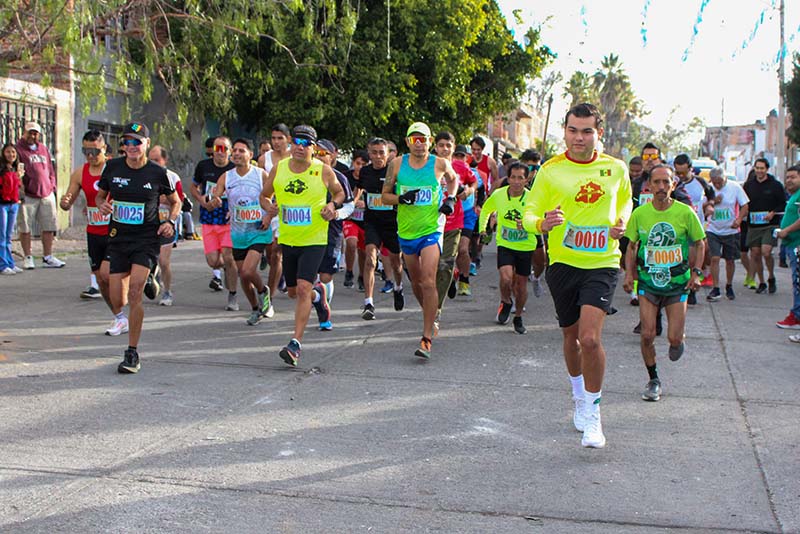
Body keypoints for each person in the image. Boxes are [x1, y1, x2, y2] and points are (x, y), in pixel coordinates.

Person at [522, 103, 631, 448]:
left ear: (599, 132)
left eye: (586, 131)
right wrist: (541, 223)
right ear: (564, 131)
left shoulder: (615, 168)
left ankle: (594, 416)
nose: (579, 137)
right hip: (563, 263)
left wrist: (622, 221)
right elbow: (529, 211)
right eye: (573, 130)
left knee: (590, 339)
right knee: (571, 337)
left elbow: (627, 201)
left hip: (602, 261)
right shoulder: (551, 170)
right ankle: (579, 398)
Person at [96, 122, 180, 373]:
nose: (131, 147)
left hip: (146, 239)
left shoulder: (157, 172)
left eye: (137, 142)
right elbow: (101, 195)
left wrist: (170, 222)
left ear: (146, 143)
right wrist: (102, 204)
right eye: (127, 142)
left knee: (134, 294)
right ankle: (149, 280)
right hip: (119, 238)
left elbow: (175, 201)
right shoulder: (112, 167)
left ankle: (132, 352)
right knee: (116, 297)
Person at [260, 125, 344, 366]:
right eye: (296, 141)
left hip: (315, 239)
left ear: (314, 148)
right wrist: (268, 208)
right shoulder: (279, 169)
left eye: (306, 143)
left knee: (304, 289)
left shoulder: (323, 171)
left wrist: (332, 206)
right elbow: (264, 196)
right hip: (289, 239)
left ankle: (295, 344)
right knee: (294, 292)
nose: (299, 146)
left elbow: (339, 193)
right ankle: (320, 298)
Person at [623, 164, 706, 402]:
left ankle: (677, 340)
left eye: (665, 183)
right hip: (648, 284)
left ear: (674, 185)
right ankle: (653, 379)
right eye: (656, 183)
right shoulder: (640, 214)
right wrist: (629, 274)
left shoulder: (685, 213)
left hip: (677, 284)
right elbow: (631, 246)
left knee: (674, 339)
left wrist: (696, 274)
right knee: (647, 334)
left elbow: (700, 243)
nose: (661, 187)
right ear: (648, 185)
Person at [382, 122, 458, 359]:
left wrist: (451, 199)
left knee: (427, 280)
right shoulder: (396, 164)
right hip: (406, 231)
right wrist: (402, 199)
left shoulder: (439, 163)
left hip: (432, 229)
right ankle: (430, 312)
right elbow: (385, 197)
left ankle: (426, 337)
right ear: (407, 142)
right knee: (416, 282)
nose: (419, 144)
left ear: (430, 141)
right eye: (414, 139)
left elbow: (454, 180)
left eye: (423, 139)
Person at [59, 131, 131, 334]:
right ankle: (119, 317)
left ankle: (136, 272)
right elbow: (68, 199)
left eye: (95, 151)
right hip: (94, 232)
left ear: (104, 149)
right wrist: (65, 202)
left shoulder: (117, 168)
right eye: (86, 151)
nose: (90, 156)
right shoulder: (79, 173)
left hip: (116, 230)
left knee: (109, 274)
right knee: (100, 279)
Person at [210, 138, 273, 325]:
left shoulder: (261, 175)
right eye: (235, 151)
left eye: (241, 151)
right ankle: (255, 308)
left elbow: (274, 199)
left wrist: (268, 216)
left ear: (250, 155)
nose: (236, 154)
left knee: (247, 271)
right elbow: (215, 197)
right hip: (238, 233)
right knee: (243, 276)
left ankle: (263, 291)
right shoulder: (226, 177)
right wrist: (215, 201)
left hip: (258, 230)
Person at [479, 162, 538, 334]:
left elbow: (539, 222)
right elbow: (486, 210)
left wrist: (527, 225)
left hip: (525, 246)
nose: (517, 181)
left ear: (526, 180)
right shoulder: (498, 195)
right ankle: (505, 301)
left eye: (521, 178)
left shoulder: (532, 199)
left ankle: (518, 316)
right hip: (505, 244)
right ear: (508, 178)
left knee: (520, 286)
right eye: (513, 177)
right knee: (506, 278)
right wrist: (483, 228)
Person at [356, 137, 405, 320]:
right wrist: (352, 204)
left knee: (396, 263)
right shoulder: (366, 172)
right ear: (369, 153)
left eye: (381, 153)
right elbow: (359, 189)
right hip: (372, 222)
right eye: (374, 152)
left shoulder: (395, 172)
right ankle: (369, 303)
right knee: (370, 257)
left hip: (392, 223)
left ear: (388, 154)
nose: (378, 156)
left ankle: (398, 287)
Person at [192, 135, 239, 309]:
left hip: (229, 219)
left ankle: (232, 295)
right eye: (217, 148)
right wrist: (201, 199)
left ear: (230, 151)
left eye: (224, 149)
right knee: (213, 261)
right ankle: (229, 266)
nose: (220, 152)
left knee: (228, 255)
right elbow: (193, 186)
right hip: (209, 218)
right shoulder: (203, 166)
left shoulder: (234, 169)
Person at [434, 138, 476, 330]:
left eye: (448, 145)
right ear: (435, 147)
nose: (445, 149)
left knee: (445, 264)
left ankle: (436, 310)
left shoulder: (459, 166)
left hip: (453, 223)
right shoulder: (427, 165)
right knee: (426, 269)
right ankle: (449, 279)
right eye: (441, 145)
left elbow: (473, 182)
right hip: (429, 224)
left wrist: (468, 190)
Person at [15, 122, 65, 269]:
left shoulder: (43, 148)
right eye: (30, 132)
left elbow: (50, 167)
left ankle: (48, 256)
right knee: (25, 226)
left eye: (35, 133)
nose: (32, 136)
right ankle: (28, 257)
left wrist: (52, 185)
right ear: (24, 133)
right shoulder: (18, 150)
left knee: (49, 226)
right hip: (28, 194)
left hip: (46, 193)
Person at [147, 144, 185, 306]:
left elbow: (180, 201)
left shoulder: (172, 177)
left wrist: (168, 204)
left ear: (165, 160)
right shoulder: (143, 175)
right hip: (148, 225)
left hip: (166, 224)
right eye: (151, 160)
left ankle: (167, 292)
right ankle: (149, 278)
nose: (154, 163)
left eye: (157, 160)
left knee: (164, 261)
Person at [258, 124, 292, 302]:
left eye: (280, 138)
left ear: (288, 139)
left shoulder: (295, 157)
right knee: (271, 253)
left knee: (277, 252)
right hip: (270, 210)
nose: (277, 142)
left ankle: (268, 298)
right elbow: (263, 189)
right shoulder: (264, 160)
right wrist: (266, 208)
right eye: (274, 138)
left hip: (290, 211)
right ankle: (281, 275)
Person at [705, 166, 749, 302]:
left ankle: (729, 285)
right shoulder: (708, 188)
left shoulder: (734, 187)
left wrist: (739, 219)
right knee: (715, 258)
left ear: (725, 178)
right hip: (713, 229)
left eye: (720, 182)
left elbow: (745, 205)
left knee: (730, 260)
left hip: (731, 230)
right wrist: (712, 202)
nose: (717, 185)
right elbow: (703, 206)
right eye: (715, 182)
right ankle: (716, 287)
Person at [743, 158, 785, 294]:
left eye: (762, 168)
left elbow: (782, 203)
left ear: (767, 169)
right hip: (754, 225)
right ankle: (761, 281)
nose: (759, 171)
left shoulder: (775, 185)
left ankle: (771, 277)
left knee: (766, 252)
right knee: (755, 254)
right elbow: (744, 203)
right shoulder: (749, 185)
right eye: (757, 168)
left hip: (770, 225)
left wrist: (773, 213)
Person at [776, 165, 800, 330]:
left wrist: (786, 230)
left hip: (797, 245)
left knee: (798, 282)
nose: (789, 180)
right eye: (788, 177)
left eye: (793, 177)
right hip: (791, 245)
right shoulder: (794, 196)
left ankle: (797, 316)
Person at [343, 149, 370, 291]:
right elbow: (341, 196)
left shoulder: (370, 177)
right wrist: (352, 202)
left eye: (363, 164)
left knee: (363, 251)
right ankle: (348, 271)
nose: (360, 167)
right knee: (351, 244)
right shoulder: (346, 177)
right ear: (353, 163)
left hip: (366, 220)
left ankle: (361, 276)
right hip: (350, 218)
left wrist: (366, 204)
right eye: (357, 163)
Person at [0, 143, 22, 275]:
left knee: (9, 236)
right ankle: (2, 264)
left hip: (14, 204)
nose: (11, 155)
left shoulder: (15, 169)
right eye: (8, 152)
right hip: (2, 204)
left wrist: (20, 177)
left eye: (13, 152)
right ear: (3, 154)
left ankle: (10, 262)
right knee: (2, 236)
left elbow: (18, 187)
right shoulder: (1, 170)